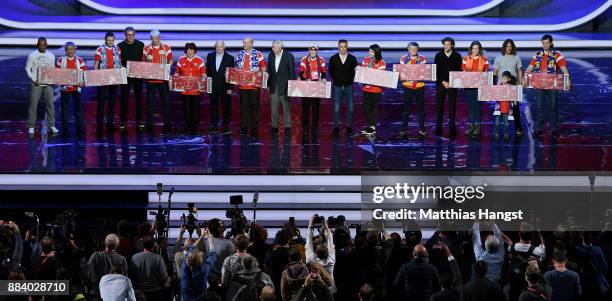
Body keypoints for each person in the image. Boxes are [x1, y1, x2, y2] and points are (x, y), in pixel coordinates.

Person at [525, 34, 571, 138]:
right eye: (543, 43)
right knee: (540, 107)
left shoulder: (557, 54)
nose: (545, 45)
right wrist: (525, 76)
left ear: (551, 43)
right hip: (540, 84)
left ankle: (554, 130)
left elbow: (563, 68)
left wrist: (567, 80)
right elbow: (531, 66)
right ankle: (538, 129)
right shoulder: (537, 54)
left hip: (552, 85)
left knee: (553, 107)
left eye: (547, 43)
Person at [25, 37, 58, 135]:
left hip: (48, 83)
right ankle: (31, 126)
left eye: (44, 44)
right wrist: (33, 79)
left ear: (46, 45)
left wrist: (52, 80)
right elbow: (27, 68)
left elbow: (52, 70)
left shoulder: (51, 55)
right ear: (37, 45)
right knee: (33, 105)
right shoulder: (32, 55)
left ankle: (51, 125)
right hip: (36, 83)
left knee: (50, 105)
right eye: (40, 44)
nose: (42, 46)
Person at [142, 30, 173, 133]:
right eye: (154, 38)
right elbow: (143, 62)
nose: (156, 40)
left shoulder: (166, 48)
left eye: (157, 38)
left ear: (159, 37)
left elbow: (171, 60)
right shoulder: (146, 49)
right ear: (151, 38)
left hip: (162, 80)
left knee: (166, 102)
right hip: (150, 81)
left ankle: (167, 124)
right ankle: (150, 124)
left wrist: (167, 69)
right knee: (150, 103)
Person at [237, 37, 266, 138]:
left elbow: (263, 68)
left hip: (254, 86)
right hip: (243, 86)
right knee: (244, 107)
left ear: (251, 43)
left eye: (245, 43)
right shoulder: (240, 54)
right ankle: (244, 126)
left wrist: (262, 79)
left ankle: (254, 126)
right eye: (243, 42)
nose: (244, 44)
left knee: (254, 107)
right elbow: (237, 68)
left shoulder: (258, 54)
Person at [328, 39, 358, 136]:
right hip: (337, 86)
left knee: (351, 108)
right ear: (338, 47)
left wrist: (348, 78)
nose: (343, 48)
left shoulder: (352, 58)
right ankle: (336, 127)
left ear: (347, 47)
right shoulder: (333, 58)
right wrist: (337, 79)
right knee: (336, 108)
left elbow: (355, 71)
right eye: (341, 46)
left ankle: (348, 127)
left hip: (349, 86)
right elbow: (331, 70)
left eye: (344, 46)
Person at [94, 32, 122, 134]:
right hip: (103, 78)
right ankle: (100, 124)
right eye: (108, 40)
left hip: (114, 78)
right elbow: (96, 65)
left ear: (114, 40)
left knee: (112, 102)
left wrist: (121, 74)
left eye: (112, 40)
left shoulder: (117, 49)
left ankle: (110, 124)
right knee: (101, 102)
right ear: (105, 40)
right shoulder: (100, 50)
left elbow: (119, 62)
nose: (110, 42)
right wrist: (96, 77)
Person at [493, 39, 524, 135]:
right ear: (504, 47)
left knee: (515, 107)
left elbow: (519, 70)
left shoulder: (516, 57)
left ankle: (518, 128)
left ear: (513, 47)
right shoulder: (498, 58)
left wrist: (520, 82)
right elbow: (494, 72)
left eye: (510, 46)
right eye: (507, 46)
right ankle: (498, 130)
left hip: (513, 85)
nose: (509, 48)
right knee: (500, 107)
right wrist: (494, 86)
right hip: (501, 86)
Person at [56, 42, 86, 135]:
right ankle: (65, 130)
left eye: (72, 49)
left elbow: (84, 75)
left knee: (79, 109)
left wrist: (83, 81)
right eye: (68, 49)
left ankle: (80, 129)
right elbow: (57, 74)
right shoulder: (60, 61)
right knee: (65, 110)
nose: (70, 51)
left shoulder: (80, 61)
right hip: (65, 89)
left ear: (74, 50)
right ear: (65, 50)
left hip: (77, 89)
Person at [118, 27, 145, 131]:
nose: (130, 36)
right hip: (125, 75)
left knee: (139, 98)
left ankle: (140, 121)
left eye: (132, 34)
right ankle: (123, 122)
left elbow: (143, 59)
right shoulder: (120, 46)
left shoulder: (140, 45)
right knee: (124, 98)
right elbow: (119, 60)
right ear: (125, 35)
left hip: (137, 75)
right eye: (128, 34)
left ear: (134, 34)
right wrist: (121, 67)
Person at [175, 43, 206, 135]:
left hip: (196, 91)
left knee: (195, 110)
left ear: (194, 51)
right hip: (185, 91)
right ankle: (188, 128)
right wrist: (174, 78)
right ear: (186, 51)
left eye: (191, 50)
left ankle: (195, 129)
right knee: (186, 110)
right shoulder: (181, 60)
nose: (190, 52)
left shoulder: (200, 60)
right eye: (188, 50)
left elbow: (203, 74)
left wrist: (205, 79)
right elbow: (177, 73)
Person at [434, 37, 462, 137]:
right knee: (439, 106)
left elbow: (458, 71)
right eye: (444, 44)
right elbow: (436, 71)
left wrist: (451, 82)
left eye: (448, 44)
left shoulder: (457, 56)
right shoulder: (438, 55)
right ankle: (438, 126)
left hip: (453, 84)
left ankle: (452, 126)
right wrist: (442, 81)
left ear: (452, 45)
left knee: (452, 106)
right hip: (440, 84)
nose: (446, 46)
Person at [399, 42, 427, 138]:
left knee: (421, 109)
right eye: (412, 49)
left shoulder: (422, 59)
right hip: (408, 87)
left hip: (419, 86)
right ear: (408, 49)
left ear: (418, 49)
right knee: (406, 109)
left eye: (415, 49)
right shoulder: (403, 59)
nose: (413, 51)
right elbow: (402, 72)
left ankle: (422, 129)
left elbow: (423, 72)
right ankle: (404, 130)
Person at [206, 40, 235, 134]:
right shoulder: (210, 56)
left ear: (224, 47)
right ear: (215, 47)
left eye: (220, 46)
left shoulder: (230, 58)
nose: (219, 48)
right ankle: (214, 125)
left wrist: (230, 87)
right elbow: (207, 72)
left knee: (226, 107)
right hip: (213, 86)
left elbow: (232, 74)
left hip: (225, 87)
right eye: (217, 47)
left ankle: (225, 126)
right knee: (213, 106)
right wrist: (206, 84)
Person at [87, 234, 129, 299]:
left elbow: (87, 272)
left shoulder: (96, 256)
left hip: (97, 292)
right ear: (117, 245)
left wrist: (87, 286)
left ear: (105, 242)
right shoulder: (122, 259)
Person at [181, 228, 218, 301]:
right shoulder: (203, 270)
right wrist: (209, 238)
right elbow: (213, 255)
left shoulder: (184, 265)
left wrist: (202, 236)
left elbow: (190, 249)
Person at [267, 40, 296, 134]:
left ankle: (287, 126)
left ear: (280, 47)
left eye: (274, 47)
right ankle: (274, 126)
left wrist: (291, 87)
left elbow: (292, 73)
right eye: (272, 47)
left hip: (285, 87)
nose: (272, 48)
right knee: (274, 108)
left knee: (286, 108)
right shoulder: (271, 56)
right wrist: (268, 84)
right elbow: (269, 72)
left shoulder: (289, 56)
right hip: (273, 86)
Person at [299, 43, 327, 136]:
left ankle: (314, 127)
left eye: (315, 49)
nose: (313, 51)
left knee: (315, 108)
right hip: (307, 84)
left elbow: (323, 72)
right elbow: (301, 72)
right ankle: (305, 128)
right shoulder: (304, 59)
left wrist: (323, 78)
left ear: (317, 50)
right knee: (305, 108)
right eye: (311, 49)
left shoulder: (322, 60)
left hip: (316, 85)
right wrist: (300, 80)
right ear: (309, 50)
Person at [462, 40, 489, 136]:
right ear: (471, 49)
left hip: (480, 86)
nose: (475, 50)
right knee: (470, 106)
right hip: (469, 86)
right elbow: (463, 72)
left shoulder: (484, 60)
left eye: (477, 48)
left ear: (479, 49)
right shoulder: (466, 59)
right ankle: (471, 126)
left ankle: (478, 126)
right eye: (473, 48)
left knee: (477, 107)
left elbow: (486, 74)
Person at [129, 236, 169, 301]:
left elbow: (132, 276)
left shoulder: (134, 258)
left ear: (142, 244)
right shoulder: (158, 258)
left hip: (140, 292)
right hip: (157, 292)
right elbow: (164, 276)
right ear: (153, 245)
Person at [360, 44, 386, 136]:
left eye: (371, 51)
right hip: (366, 88)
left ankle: (372, 127)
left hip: (376, 90)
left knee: (373, 108)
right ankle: (370, 125)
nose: (369, 53)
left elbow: (380, 76)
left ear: (376, 52)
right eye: (369, 51)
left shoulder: (381, 62)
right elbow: (362, 73)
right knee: (366, 108)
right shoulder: (365, 60)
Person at [265, 229, 291, 300]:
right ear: (287, 240)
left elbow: (266, 266)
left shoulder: (268, 253)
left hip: (273, 284)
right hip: (287, 285)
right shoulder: (289, 254)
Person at [493, 72, 518, 140]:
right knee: (497, 122)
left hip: (507, 107)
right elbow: (494, 94)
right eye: (502, 78)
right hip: (499, 107)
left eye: (505, 78)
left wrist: (514, 102)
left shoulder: (511, 87)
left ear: (509, 79)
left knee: (506, 123)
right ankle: (496, 133)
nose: (503, 80)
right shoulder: (499, 86)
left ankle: (506, 133)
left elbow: (514, 95)